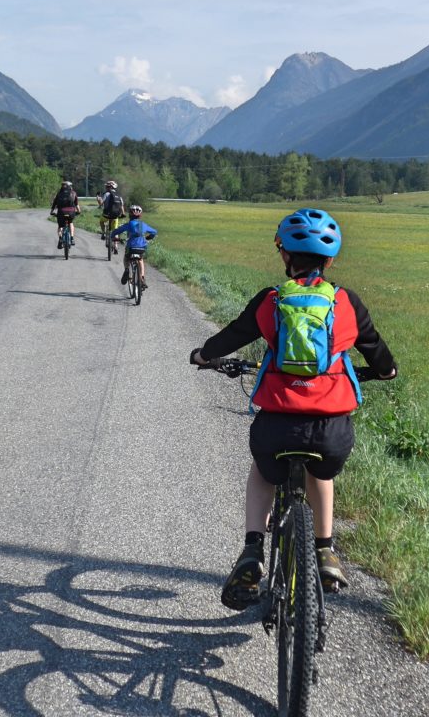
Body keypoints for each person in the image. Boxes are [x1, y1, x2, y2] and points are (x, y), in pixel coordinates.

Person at [189, 208, 397, 611]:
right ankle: (325, 550)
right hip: (330, 429)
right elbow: (375, 349)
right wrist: (385, 371)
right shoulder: (346, 302)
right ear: (331, 260)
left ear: (283, 255)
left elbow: (232, 335)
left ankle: (252, 550)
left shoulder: (271, 301)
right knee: (322, 472)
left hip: (277, 425)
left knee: (263, 472)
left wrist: (203, 355)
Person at [110, 204, 157, 288]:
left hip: (131, 247)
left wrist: (113, 237)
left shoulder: (129, 224)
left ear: (130, 215)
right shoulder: (143, 224)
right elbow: (154, 232)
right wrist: (148, 237)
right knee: (141, 259)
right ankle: (142, 278)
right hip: (141, 247)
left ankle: (127, 270)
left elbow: (116, 231)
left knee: (126, 258)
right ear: (140, 215)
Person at [50, 181, 81, 248]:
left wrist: (52, 212)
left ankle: (60, 238)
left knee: (60, 226)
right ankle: (72, 238)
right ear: (70, 186)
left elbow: (54, 204)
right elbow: (76, 204)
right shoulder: (73, 193)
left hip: (61, 212)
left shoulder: (59, 194)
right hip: (71, 212)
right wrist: (79, 211)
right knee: (71, 223)